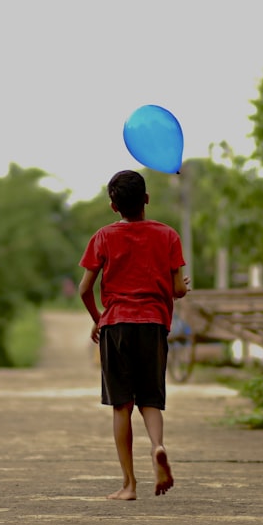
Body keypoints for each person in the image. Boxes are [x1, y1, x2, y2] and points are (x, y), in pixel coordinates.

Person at [78, 170, 190, 500]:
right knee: (150, 400)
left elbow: (85, 289)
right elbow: (178, 288)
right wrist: (179, 290)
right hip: (154, 324)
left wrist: (99, 319)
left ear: (113, 207)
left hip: (117, 326)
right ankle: (157, 447)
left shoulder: (103, 237)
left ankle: (129, 484)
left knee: (121, 406)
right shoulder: (168, 235)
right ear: (146, 199)